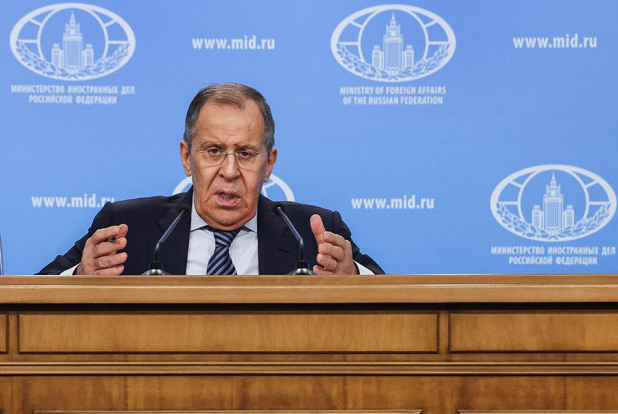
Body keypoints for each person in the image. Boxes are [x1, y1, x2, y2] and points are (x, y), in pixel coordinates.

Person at [38, 83, 383, 276]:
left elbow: (395, 304)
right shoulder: (127, 229)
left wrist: (353, 278)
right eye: (214, 151)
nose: (229, 171)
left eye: (245, 153)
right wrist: (80, 278)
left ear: (269, 164)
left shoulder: (314, 234)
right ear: (187, 158)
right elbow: (32, 294)